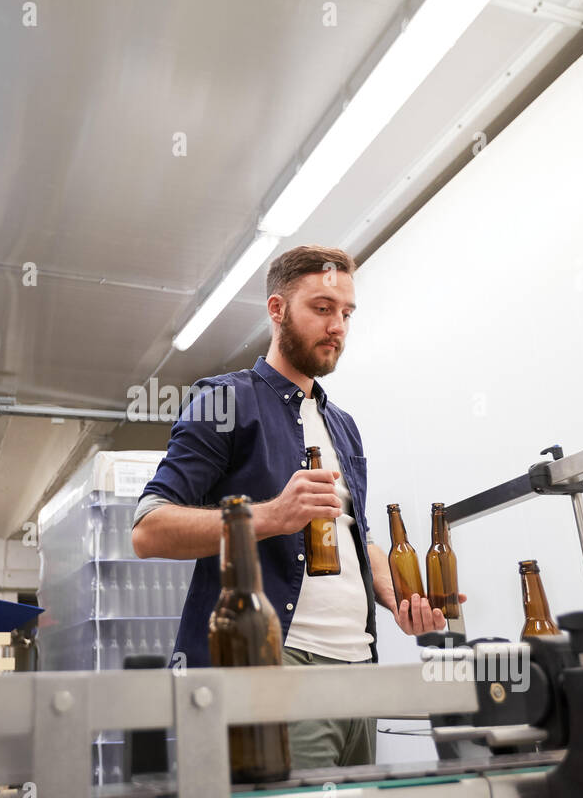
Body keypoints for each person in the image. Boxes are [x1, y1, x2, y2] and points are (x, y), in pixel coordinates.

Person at [132, 244, 464, 770]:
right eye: (322, 308)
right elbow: (149, 529)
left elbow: (360, 539)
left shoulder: (342, 425)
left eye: (347, 313)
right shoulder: (226, 400)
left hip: (359, 667)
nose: (338, 326)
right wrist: (268, 518)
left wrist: (401, 596)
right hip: (280, 669)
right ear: (277, 309)